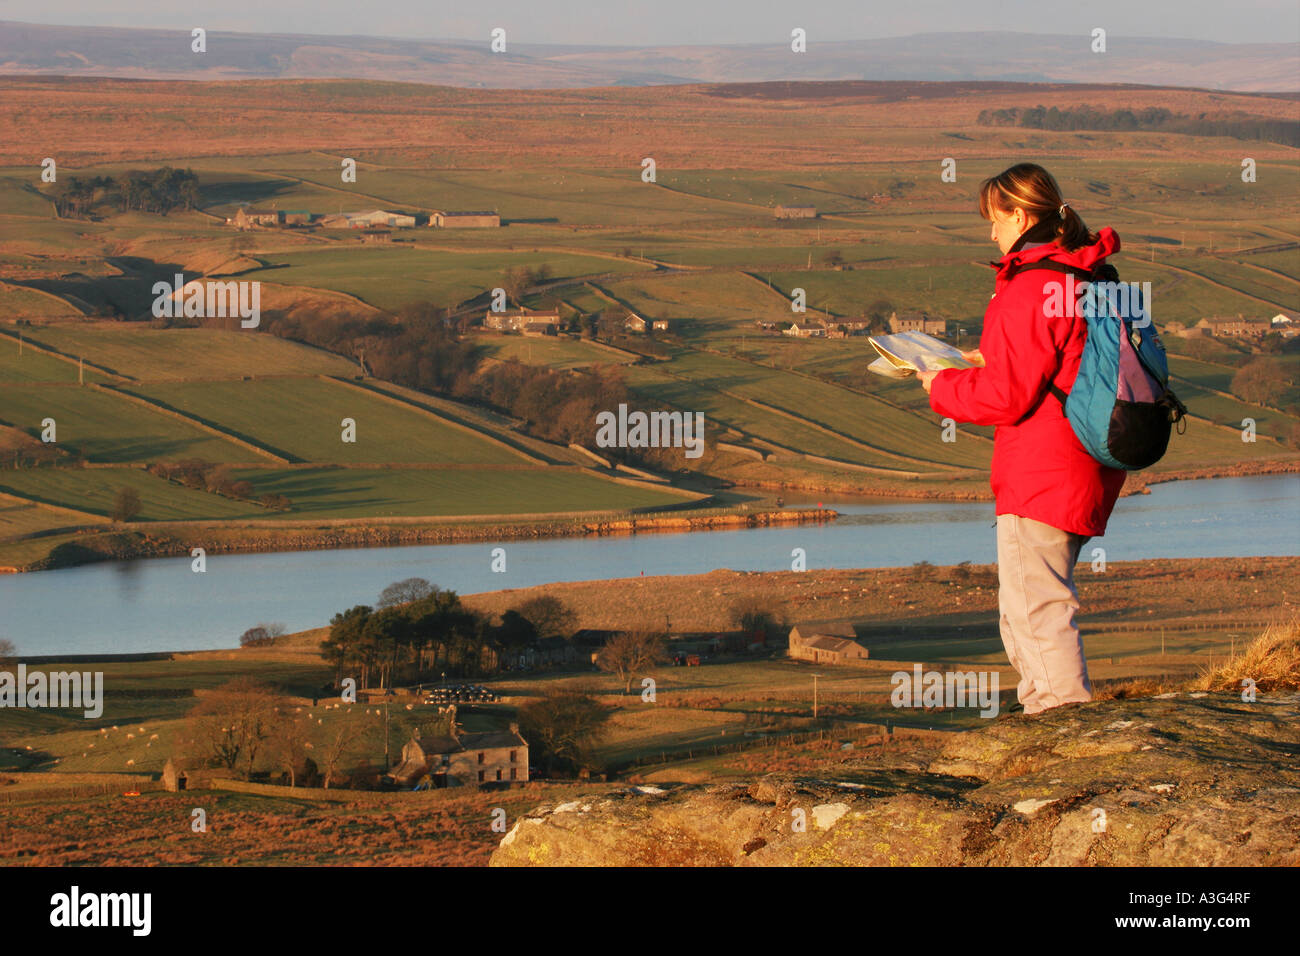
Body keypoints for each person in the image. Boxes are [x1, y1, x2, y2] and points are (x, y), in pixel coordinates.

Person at [916, 162, 1127, 716]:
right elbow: (1063, 361)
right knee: (1029, 604)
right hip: (1085, 458)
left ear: (1020, 214)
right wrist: (989, 361)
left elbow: (1004, 399)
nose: (991, 232)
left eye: (995, 218)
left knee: (1037, 607)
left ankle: (1062, 719)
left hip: (1042, 467)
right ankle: (1044, 714)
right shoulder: (1086, 274)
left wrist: (939, 384)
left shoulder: (1031, 284)